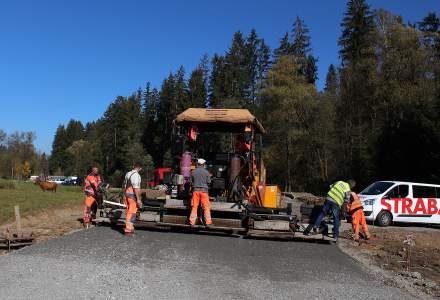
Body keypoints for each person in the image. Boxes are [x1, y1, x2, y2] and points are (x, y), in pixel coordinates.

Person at [189, 158, 212, 226]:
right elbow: (209, 182)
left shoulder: (193, 172)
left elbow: (190, 182)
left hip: (195, 191)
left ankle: (192, 222)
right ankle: (208, 222)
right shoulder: (206, 172)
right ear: (203, 164)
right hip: (204, 191)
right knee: (206, 207)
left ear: (197, 164)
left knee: (194, 206)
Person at [123, 163, 143, 235]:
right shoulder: (136, 175)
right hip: (132, 195)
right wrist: (138, 199)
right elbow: (136, 188)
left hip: (126, 194)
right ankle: (128, 229)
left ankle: (130, 228)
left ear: (133, 167)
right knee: (131, 212)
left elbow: (125, 185)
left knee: (130, 211)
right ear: (140, 168)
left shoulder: (128, 173)